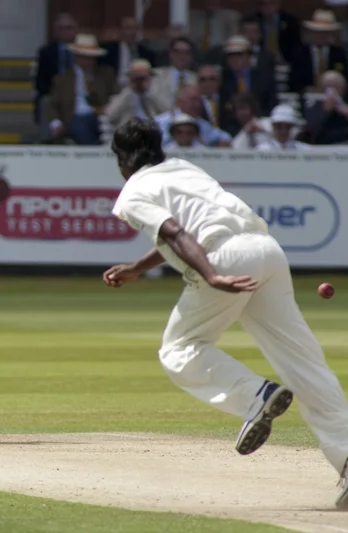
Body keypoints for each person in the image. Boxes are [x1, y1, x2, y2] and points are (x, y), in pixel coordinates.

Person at [102, 118, 348, 510]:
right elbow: (186, 228)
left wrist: (211, 274)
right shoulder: (183, 168)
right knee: (305, 364)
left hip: (224, 256)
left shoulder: (132, 192)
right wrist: (137, 268)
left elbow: (175, 233)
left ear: (121, 160)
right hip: (265, 249)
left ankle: (256, 397)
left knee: (179, 349)